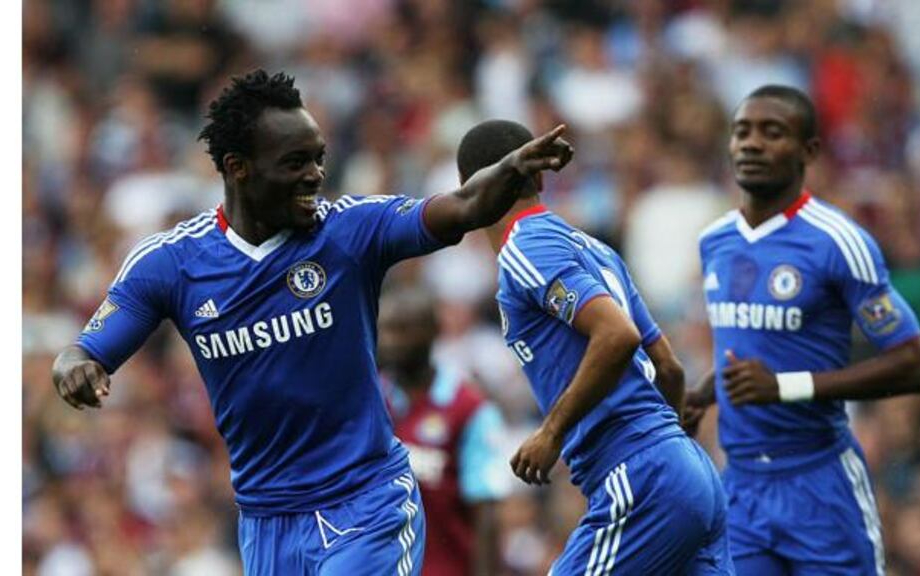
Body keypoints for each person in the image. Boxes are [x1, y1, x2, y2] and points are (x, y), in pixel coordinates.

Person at [50, 69, 574, 576]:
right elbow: (87, 349)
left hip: (366, 504)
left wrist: (512, 168)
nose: (315, 175)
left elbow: (462, 206)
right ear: (238, 167)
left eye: (319, 159)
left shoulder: (349, 232)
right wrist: (76, 366)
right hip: (267, 523)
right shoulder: (171, 264)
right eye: (295, 162)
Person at [458, 119, 735, 575]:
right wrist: (670, 449)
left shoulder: (524, 249)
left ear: (470, 189)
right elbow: (668, 368)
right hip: (687, 471)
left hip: (640, 476)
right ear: (540, 178)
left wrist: (551, 432)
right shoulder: (595, 248)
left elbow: (617, 335)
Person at [685, 85, 920, 576]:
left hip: (820, 480)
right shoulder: (715, 240)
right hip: (742, 484)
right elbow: (753, 342)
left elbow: (911, 365)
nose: (752, 144)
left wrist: (784, 387)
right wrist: (708, 391)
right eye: (742, 132)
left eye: (772, 132)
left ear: (809, 151)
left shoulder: (838, 241)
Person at [378, 286, 510, 576]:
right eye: (384, 330)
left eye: (401, 331)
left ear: (432, 332)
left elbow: (485, 510)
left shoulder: (469, 408)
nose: (389, 342)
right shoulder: (370, 401)